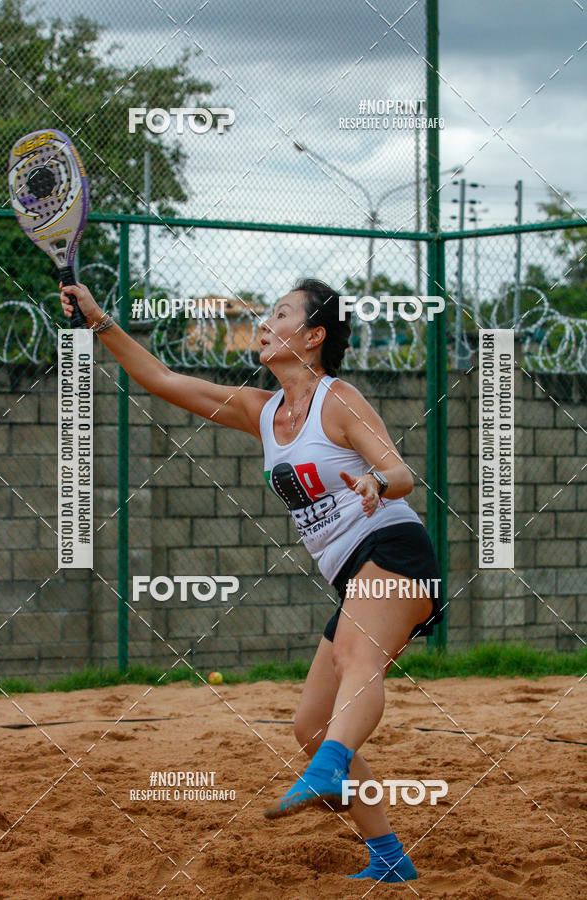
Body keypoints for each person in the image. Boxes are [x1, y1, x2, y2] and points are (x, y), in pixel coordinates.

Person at [59, 277, 442, 883]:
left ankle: (331, 769)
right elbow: (161, 379)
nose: (265, 323)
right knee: (309, 726)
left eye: (281, 314)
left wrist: (375, 482)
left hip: (395, 549)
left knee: (354, 657)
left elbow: (400, 473)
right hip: (352, 571)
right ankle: (389, 858)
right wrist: (98, 320)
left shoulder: (338, 400)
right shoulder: (262, 411)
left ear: (313, 336)